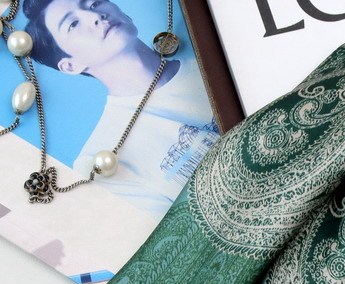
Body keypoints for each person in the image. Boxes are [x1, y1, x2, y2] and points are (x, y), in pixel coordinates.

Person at [23, 0, 219, 217]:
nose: (95, 16)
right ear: (70, 65)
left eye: (94, 3)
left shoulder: (212, 43)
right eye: (73, 24)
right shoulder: (98, 157)